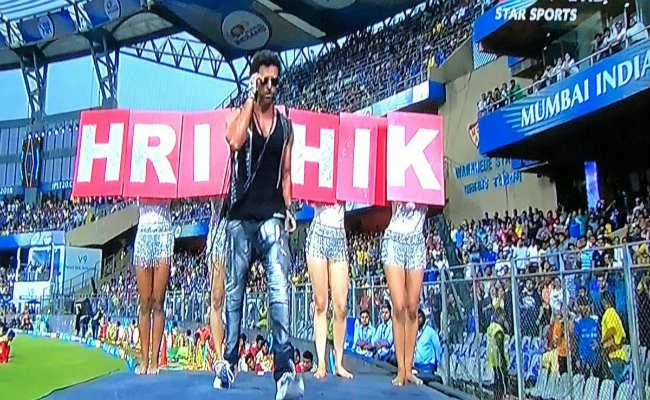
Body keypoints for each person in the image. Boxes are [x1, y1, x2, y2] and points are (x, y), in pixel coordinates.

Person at [223, 49, 303, 400]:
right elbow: (234, 140)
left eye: (274, 81)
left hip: (272, 215)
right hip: (240, 218)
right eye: (264, 80)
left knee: (280, 290)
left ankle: (284, 370)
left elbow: (286, 173)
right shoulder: (242, 116)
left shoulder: (286, 127)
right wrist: (249, 99)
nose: (270, 87)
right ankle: (228, 360)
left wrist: (290, 208)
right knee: (234, 292)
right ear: (255, 80)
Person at [381, 201, 428, 386]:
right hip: (394, 239)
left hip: (416, 240)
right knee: (399, 305)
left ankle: (409, 368)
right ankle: (401, 369)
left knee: (413, 308)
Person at [305, 202, 353, 379]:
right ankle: (321, 363)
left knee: (341, 307)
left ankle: (339, 363)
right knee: (320, 304)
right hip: (318, 234)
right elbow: (306, 195)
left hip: (338, 236)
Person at [133, 200, 173, 375]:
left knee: (158, 301)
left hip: (164, 234)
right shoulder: (137, 180)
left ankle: (155, 360)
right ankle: (144, 359)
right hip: (144, 234)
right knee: (144, 302)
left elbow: (179, 198)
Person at [206, 197, 232, 389]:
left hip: (239, 232)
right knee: (216, 299)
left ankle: (231, 356)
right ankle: (220, 359)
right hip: (218, 233)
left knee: (234, 300)